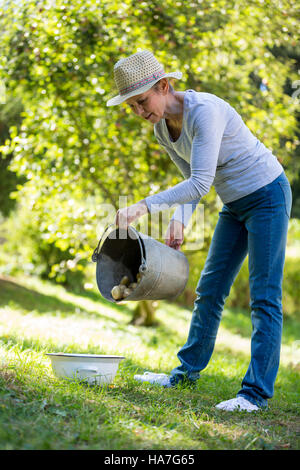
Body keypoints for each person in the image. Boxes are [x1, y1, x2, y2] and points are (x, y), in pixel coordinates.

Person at [106, 50, 292, 412]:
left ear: (164, 86)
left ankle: (253, 395)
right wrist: (181, 217)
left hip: (267, 195)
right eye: (132, 107)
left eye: (143, 102)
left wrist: (144, 205)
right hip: (235, 205)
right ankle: (184, 374)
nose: (141, 113)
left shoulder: (205, 112)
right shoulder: (163, 128)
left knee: (264, 296)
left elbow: (202, 182)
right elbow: (190, 178)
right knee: (210, 289)